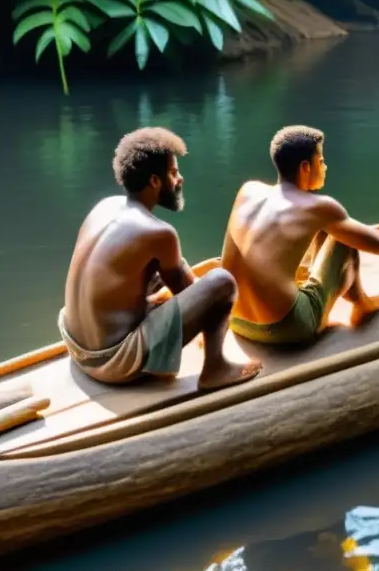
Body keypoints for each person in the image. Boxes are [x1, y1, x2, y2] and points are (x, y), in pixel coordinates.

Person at [60, 127, 261, 391]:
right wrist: (215, 314)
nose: (180, 179)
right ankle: (216, 368)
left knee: (157, 269)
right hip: (110, 363)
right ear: (155, 181)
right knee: (222, 282)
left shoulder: (105, 206)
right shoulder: (159, 233)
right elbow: (191, 290)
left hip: (74, 345)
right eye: (174, 172)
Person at [221, 125, 379, 344]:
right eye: (320, 161)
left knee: (322, 228)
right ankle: (362, 304)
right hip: (286, 328)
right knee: (341, 239)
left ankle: (303, 283)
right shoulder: (318, 208)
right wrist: (377, 235)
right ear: (305, 167)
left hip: (234, 320)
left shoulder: (248, 190)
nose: (325, 167)